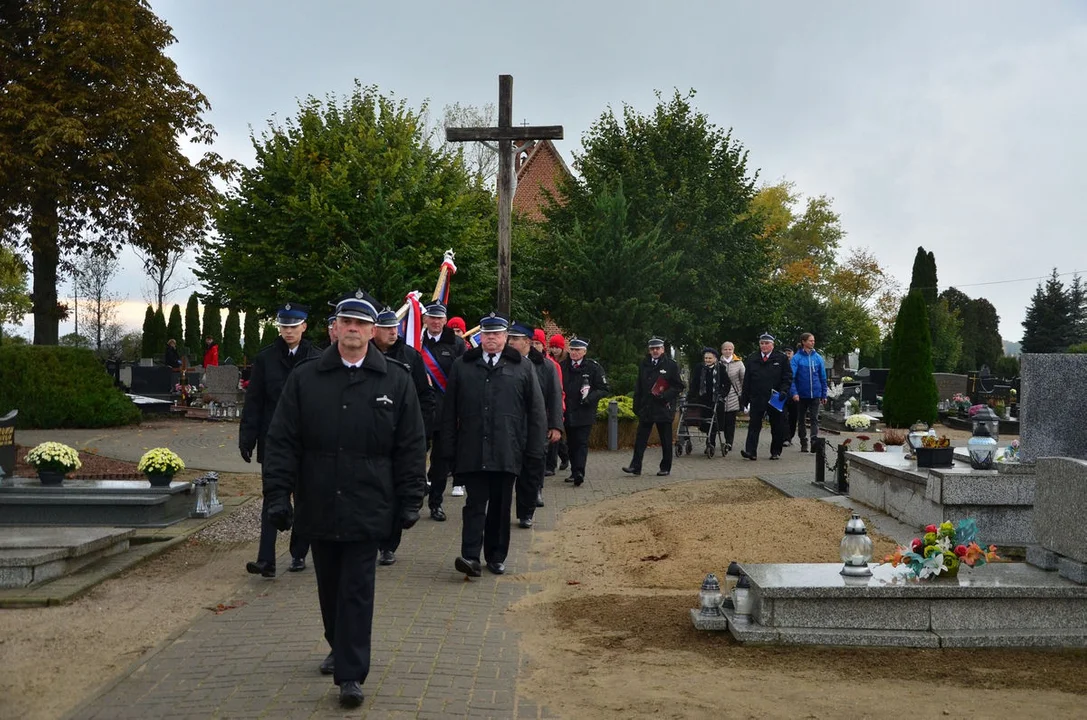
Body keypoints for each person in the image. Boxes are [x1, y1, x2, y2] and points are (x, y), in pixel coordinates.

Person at [262, 290, 426, 708]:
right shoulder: (307, 377)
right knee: (329, 585)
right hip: (319, 500)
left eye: (361, 324)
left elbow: (410, 445)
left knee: (357, 588)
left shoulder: (395, 379)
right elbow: (282, 441)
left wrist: (411, 498)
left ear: (373, 332)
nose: (352, 329)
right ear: (334, 328)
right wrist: (278, 494)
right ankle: (338, 643)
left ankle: (351, 674)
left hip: (370, 502)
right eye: (345, 322)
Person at [441, 312, 545, 577]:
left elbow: (535, 411)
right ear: (480, 337)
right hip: (473, 447)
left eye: (497, 334)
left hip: (507, 449)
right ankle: (470, 556)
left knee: (500, 506)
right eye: (487, 334)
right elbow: (449, 411)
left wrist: (534, 450)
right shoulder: (462, 365)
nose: (491, 339)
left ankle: (496, 556)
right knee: (475, 504)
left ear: (505, 337)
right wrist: (448, 449)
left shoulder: (522, 366)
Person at [240, 302, 321, 577]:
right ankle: (266, 560)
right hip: (274, 442)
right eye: (284, 326)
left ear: (304, 326)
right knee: (272, 499)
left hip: (307, 442)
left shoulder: (316, 358)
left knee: (304, 499)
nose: (288, 331)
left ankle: (298, 554)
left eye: (293, 326)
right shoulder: (265, 359)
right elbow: (254, 402)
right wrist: (247, 437)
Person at [372, 308, 436, 565]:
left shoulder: (411, 356)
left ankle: (389, 545)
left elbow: (425, 396)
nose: (392, 331)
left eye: (394, 327)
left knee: (396, 492)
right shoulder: (365, 354)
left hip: (403, 436)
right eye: (386, 327)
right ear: (373, 329)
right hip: (373, 435)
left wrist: (423, 431)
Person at [507, 322, 563, 528]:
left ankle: (526, 512)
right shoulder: (505, 362)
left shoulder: (546, 366)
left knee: (531, 472)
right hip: (510, 425)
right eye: (509, 338)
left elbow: (555, 396)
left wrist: (556, 426)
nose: (510, 342)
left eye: (514, 339)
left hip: (535, 426)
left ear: (527, 342)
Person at [420, 302, 466, 518]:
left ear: (445, 320)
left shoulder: (456, 344)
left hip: (446, 411)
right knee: (415, 456)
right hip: (419, 411)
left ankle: (435, 503)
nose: (436, 322)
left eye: (440, 318)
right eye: (432, 317)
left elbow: (462, 378)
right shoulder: (415, 341)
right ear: (425, 319)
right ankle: (413, 497)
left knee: (441, 460)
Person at [623, 337, 684, 476]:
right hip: (647, 407)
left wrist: (665, 395)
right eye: (652, 349)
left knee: (666, 440)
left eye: (657, 348)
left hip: (663, 407)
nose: (655, 351)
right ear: (649, 350)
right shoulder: (644, 364)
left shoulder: (671, 365)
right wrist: (636, 405)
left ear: (662, 349)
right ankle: (635, 466)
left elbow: (678, 386)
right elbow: (639, 385)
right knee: (640, 439)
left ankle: (665, 467)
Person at [560, 337, 608, 486]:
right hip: (567, 412)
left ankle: (579, 472)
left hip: (584, 412)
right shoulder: (562, 366)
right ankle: (574, 471)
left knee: (581, 442)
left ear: (584, 351)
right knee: (571, 443)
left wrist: (590, 398)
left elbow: (604, 388)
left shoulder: (593, 367)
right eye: (572, 349)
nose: (574, 353)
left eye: (577, 350)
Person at [739, 333, 793, 461]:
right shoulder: (753, 358)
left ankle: (775, 451)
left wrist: (784, 391)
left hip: (775, 397)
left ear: (772, 345)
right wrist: (744, 400)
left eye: (767, 343)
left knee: (777, 426)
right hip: (757, 397)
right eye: (762, 343)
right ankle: (751, 451)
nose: (764, 346)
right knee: (754, 425)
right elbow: (747, 381)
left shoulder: (781, 358)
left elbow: (787, 377)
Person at [790, 332, 828, 452]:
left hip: (815, 394)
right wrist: (794, 393)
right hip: (801, 395)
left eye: (813, 340)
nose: (813, 342)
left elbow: (823, 376)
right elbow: (792, 378)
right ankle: (803, 441)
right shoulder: (797, 358)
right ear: (804, 342)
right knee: (801, 419)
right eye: (810, 340)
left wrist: (824, 393)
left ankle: (814, 440)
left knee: (814, 418)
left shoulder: (818, 358)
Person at [687, 347, 722, 455]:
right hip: (701, 399)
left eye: (710, 358)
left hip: (714, 400)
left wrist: (722, 395)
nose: (707, 360)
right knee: (702, 422)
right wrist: (690, 396)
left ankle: (711, 443)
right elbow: (694, 383)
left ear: (715, 359)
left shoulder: (721, 369)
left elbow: (727, 384)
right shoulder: (699, 368)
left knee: (713, 423)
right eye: (706, 358)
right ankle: (705, 440)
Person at [545, 334, 570, 476]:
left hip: (562, 400)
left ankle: (559, 459)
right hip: (556, 400)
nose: (554, 350)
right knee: (554, 435)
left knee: (557, 432)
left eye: (557, 347)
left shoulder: (565, 362)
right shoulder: (549, 361)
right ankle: (563, 457)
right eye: (552, 347)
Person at [718, 341, 745, 455]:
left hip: (734, 395)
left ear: (733, 351)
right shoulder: (718, 363)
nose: (728, 351)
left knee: (730, 421)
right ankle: (716, 441)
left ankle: (729, 442)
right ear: (722, 351)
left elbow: (743, 379)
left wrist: (743, 394)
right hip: (721, 396)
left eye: (730, 349)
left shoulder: (739, 363)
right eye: (725, 349)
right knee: (720, 421)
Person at [782, 347, 799, 447]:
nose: (787, 355)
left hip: (794, 395)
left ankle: (790, 436)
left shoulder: (796, 364)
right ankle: (785, 437)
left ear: (793, 354)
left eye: (789, 353)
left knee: (793, 417)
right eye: (786, 353)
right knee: (783, 417)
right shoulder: (781, 364)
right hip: (783, 395)